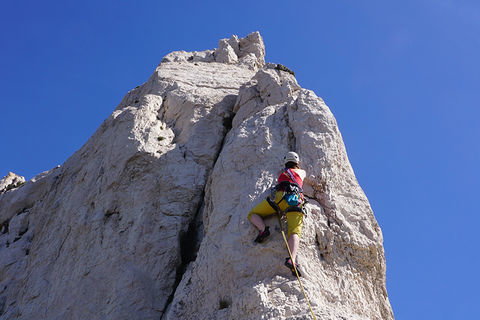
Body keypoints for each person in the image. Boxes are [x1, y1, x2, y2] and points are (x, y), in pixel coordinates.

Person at [247, 151, 306, 276]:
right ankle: (292, 259)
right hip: (294, 201)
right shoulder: (302, 172)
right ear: (297, 162)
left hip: (278, 199)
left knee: (253, 214)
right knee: (294, 231)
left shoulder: (281, 173)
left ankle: (263, 230)